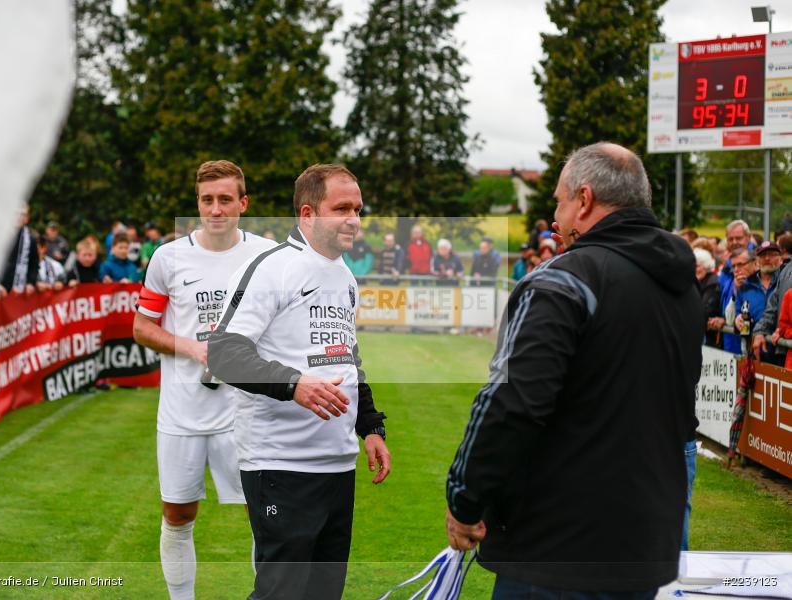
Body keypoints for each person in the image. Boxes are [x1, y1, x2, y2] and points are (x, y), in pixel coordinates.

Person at [445, 142, 701, 598]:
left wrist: (464, 497)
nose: (556, 220)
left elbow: (513, 402)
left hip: (556, 551)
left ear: (584, 200)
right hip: (645, 548)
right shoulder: (682, 287)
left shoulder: (564, 278)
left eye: (559, 203)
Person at [208, 164, 390, 600]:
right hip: (280, 463)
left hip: (337, 464)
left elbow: (347, 358)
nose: (353, 219)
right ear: (308, 213)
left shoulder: (344, 275)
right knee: (281, 593)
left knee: (324, 593)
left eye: (358, 209)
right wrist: (294, 384)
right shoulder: (273, 269)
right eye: (341, 208)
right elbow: (224, 353)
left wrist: (370, 427)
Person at [133, 160, 276, 600]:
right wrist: (193, 349)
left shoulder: (267, 256)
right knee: (178, 516)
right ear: (197, 203)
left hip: (247, 412)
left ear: (243, 203)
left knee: (264, 516)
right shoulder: (168, 257)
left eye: (225, 200)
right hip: (183, 412)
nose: (216, 209)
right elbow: (142, 328)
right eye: (207, 200)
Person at [0, 205, 39, 293]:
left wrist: (30, 283)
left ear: (27, 219)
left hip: (18, 290)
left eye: (23, 214)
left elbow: (34, 264)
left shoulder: (31, 239)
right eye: (16, 213)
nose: (19, 216)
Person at [695, 248, 721, 348]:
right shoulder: (700, 281)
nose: (695, 269)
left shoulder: (712, 283)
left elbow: (706, 310)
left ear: (706, 266)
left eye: (697, 266)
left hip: (709, 335)